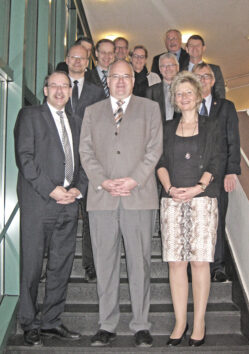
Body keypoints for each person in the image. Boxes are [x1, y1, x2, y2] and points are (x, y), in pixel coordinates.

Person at [79, 60, 163, 348]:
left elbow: (154, 149)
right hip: (102, 198)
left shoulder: (150, 108)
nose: (120, 81)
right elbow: (85, 151)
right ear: (108, 80)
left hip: (138, 197)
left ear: (132, 79)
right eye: (115, 76)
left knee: (139, 264)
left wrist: (134, 180)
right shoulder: (92, 112)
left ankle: (141, 324)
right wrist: (103, 181)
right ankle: (106, 324)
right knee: (104, 264)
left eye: (126, 76)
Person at [14, 71, 88, 346]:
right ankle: (29, 322)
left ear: (70, 91)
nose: (59, 90)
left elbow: (84, 162)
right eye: (54, 85)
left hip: (69, 206)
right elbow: (25, 159)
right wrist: (51, 189)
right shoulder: (30, 116)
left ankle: (51, 322)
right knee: (32, 266)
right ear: (45, 90)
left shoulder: (77, 122)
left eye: (64, 86)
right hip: (39, 203)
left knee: (61, 266)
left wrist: (78, 189)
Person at [157, 71, 221, 347]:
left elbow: (218, 161)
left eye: (188, 93)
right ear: (174, 99)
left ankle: (198, 322)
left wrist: (197, 188)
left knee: (199, 262)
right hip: (172, 201)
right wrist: (170, 189)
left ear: (197, 96)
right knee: (176, 264)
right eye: (179, 93)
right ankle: (180, 321)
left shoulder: (212, 126)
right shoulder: (167, 128)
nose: (184, 97)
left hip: (202, 200)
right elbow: (159, 162)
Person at [193, 62, 241, 282]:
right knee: (194, 221)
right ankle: (194, 266)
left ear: (213, 81)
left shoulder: (227, 107)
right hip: (192, 177)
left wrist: (232, 171)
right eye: (198, 76)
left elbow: (233, 140)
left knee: (217, 219)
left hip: (220, 176)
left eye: (206, 76)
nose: (202, 80)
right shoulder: (185, 106)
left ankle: (218, 267)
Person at [65, 44, 105, 281]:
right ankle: (61, 265)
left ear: (88, 61)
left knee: (92, 216)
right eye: (73, 58)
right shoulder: (58, 86)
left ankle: (90, 264)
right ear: (67, 59)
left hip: (90, 161)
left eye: (82, 58)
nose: (78, 62)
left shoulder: (97, 92)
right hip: (62, 162)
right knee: (63, 215)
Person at [185, 35, 225, 99]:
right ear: (187, 49)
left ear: (203, 48)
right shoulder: (179, 71)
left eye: (198, 45)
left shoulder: (215, 70)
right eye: (191, 46)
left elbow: (220, 95)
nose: (194, 48)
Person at [146, 52, 179, 123]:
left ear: (177, 67)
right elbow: (147, 117)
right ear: (160, 70)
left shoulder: (185, 90)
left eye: (171, 65)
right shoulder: (151, 91)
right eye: (164, 66)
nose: (168, 68)